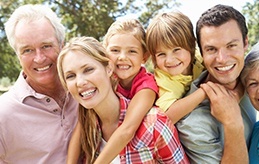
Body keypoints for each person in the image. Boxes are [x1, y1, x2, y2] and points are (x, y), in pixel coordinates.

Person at [57, 36, 189, 163]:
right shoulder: (88, 133)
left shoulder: (154, 124)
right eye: (70, 76)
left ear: (109, 68)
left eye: (88, 69)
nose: (80, 82)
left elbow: (127, 131)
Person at [176, 4, 257, 163]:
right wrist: (232, 124)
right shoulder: (193, 123)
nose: (222, 58)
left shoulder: (254, 77)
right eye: (212, 49)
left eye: (231, 46)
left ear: (245, 43)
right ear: (201, 52)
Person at [0, 4, 78, 163]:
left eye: (46, 46)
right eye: (27, 50)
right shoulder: (4, 114)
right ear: (18, 56)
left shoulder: (85, 90)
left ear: (61, 45)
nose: (39, 58)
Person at [146, 11, 205, 123]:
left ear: (191, 45)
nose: (169, 60)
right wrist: (203, 92)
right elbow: (168, 116)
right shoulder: (164, 78)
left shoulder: (198, 58)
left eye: (176, 50)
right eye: (161, 54)